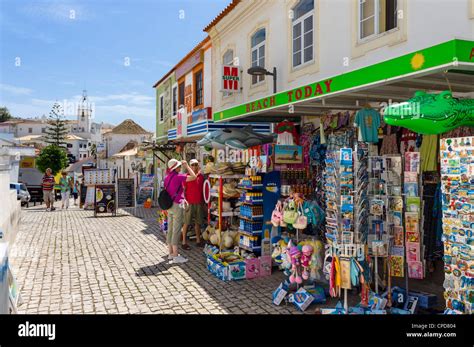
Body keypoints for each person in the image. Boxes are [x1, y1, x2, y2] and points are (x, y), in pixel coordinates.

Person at [163, 158, 196, 264]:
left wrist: (183, 197)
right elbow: (194, 177)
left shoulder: (167, 177)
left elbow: (174, 190)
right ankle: (176, 255)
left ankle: (170, 253)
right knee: (177, 230)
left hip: (169, 206)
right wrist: (187, 166)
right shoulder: (178, 177)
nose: (180, 167)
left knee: (171, 229)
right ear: (175, 168)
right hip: (177, 206)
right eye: (178, 166)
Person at [182, 159, 205, 250]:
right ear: (189, 166)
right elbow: (183, 190)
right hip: (189, 203)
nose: (194, 167)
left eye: (196, 165)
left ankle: (198, 241)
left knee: (198, 223)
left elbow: (204, 190)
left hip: (199, 202)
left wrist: (204, 202)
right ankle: (184, 242)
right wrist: (184, 200)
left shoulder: (201, 177)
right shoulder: (186, 177)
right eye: (192, 165)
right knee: (186, 223)